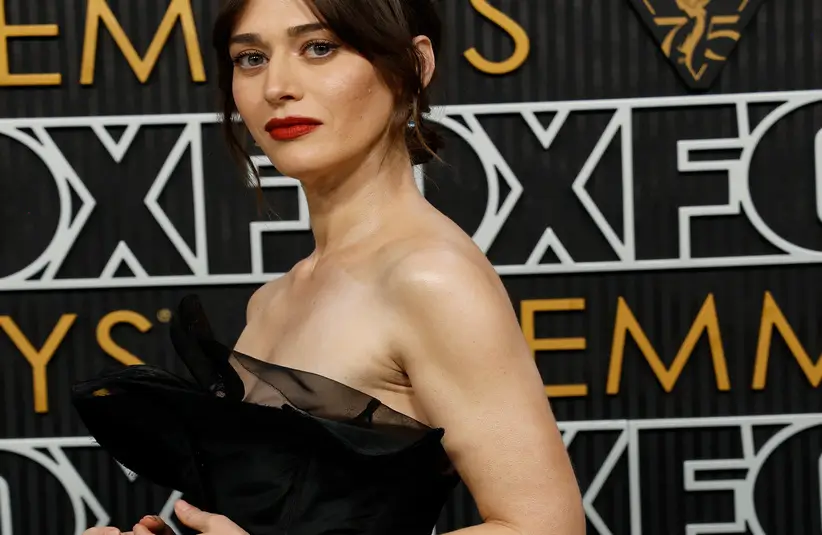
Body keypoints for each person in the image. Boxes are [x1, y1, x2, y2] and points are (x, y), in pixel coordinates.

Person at [77, 0, 585, 534]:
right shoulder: (273, 299)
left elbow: (547, 527)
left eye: (319, 48)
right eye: (250, 57)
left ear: (415, 65)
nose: (277, 86)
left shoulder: (429, 276)